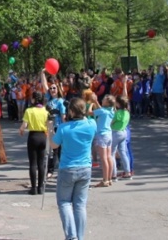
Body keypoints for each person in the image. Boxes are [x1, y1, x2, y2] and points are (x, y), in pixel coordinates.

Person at [49, 97, 97, 240]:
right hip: (85, 168)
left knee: (64, 202)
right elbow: (89, 118)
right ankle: (79, 236)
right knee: (80, 205)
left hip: (68, 168)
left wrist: (50, 129)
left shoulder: (64, 128)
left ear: (70, 111)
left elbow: (53, 145)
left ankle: (72, 236)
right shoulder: (91, 125)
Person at [19, 91, 49, 195]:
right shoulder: (45, 111)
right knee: (41, 163)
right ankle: (40, 187)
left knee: (33, 163)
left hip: (33, 136)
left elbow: (24, 124)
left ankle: (33, 188)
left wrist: (21, 130)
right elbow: (48, 124)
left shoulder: (29, 111)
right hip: (43, 136)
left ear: (33, 99)